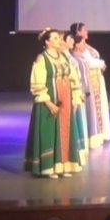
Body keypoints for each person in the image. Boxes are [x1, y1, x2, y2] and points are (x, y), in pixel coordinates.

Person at [24, 29, 87, 178]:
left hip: (65, 100)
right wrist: (49, 103)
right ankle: (49, 167)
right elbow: (37, 84)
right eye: (55, 38)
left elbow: (73, 77)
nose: (59, 40)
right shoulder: (42, 58)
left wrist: (76, 96)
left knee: (65, 132)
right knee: (50, 133)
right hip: (49, 101)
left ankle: (64, 165)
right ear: (47, 42)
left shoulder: (64, 57)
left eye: (59, 38)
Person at [70, 22, 110, 143]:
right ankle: (91, 134)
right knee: (91, 109)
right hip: (90, 81)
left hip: (97, 79)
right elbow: (87, 62)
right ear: (78, 32)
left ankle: (100, 133)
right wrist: (101, 63)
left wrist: (101, 65)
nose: (87, 32)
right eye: (84, 30)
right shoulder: (78, 46)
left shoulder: (86, 46)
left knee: (100, 108)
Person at [63, 33, 98, 152]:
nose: (72, 42)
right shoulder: (68, 57)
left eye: (73, 40)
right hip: (74, 92)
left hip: (81, 90)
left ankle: (79, 146)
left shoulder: (74, 57)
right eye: (69, 40)